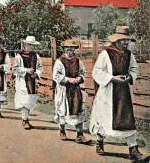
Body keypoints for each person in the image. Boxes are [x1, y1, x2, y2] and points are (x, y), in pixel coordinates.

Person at [89, 26, 149, 161]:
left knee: (128, 118)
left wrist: (130, 77)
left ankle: (133, 148)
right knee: (104, 117)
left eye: (126, 40)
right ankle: (100, 142)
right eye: (122, 40)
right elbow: (96, 72)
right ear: (115, 41)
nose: (124, 43)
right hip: (108, 92)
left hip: (124, 92)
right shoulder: (106, 54)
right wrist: (111, 78)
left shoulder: (129, 54)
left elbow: (134, 68)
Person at [53, 39, 91, 144]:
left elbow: (83, 72)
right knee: (62, 110)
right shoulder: (59, 61)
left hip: (75, 89)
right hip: (63, 89)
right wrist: (68, 79)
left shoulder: (78, 61)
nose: (70, 50)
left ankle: (80, 135)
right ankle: (62, 130)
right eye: (67, 48)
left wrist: (79, 78)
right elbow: (55, 76)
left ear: (75, 49)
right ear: (64, 49)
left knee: (78, 109)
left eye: (72, 48)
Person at [13, 36, 43, 130]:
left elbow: (40, 67)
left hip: (32, 81)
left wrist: (37, 74)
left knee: (30, 100)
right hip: (22, 81)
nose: (31, 47)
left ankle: (25, 118)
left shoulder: (36, 56)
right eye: (29, 45)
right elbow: (15, 69)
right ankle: (24, 119)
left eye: (33, 45)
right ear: (25, 45)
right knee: (24, 100)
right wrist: (26, 70)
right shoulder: (19, 56)